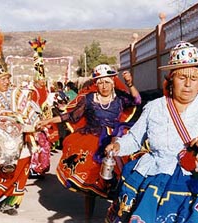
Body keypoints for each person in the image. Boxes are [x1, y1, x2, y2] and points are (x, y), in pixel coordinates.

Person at [104, 41, 198, 223]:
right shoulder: (154, 108)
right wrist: (118, 145)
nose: (188, 84)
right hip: (155, 175)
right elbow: (135, 139)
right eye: (182, 78)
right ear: (171, 78)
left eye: (194, 78)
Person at [37, 64, 141, 219]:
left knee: (122, 175)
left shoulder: (120, 97)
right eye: (100, 82)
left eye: (107, 82)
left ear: (113, 82)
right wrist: (49, 120)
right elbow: (72, 116)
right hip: (92, 138)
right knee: (90, 181)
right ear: (95, 83)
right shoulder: (89, 99)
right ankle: (88, 218)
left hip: (115, 137)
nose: (103, 86)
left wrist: (130, 84)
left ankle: (119, 213)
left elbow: (137, 100)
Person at [0, 55, 41, 215]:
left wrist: (29, 122)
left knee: (20, 168)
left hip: (20, 139)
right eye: (2, 78)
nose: (6, 81)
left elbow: (29, 112)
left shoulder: (18, 93)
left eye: (7, 78)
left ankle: (10, 202)